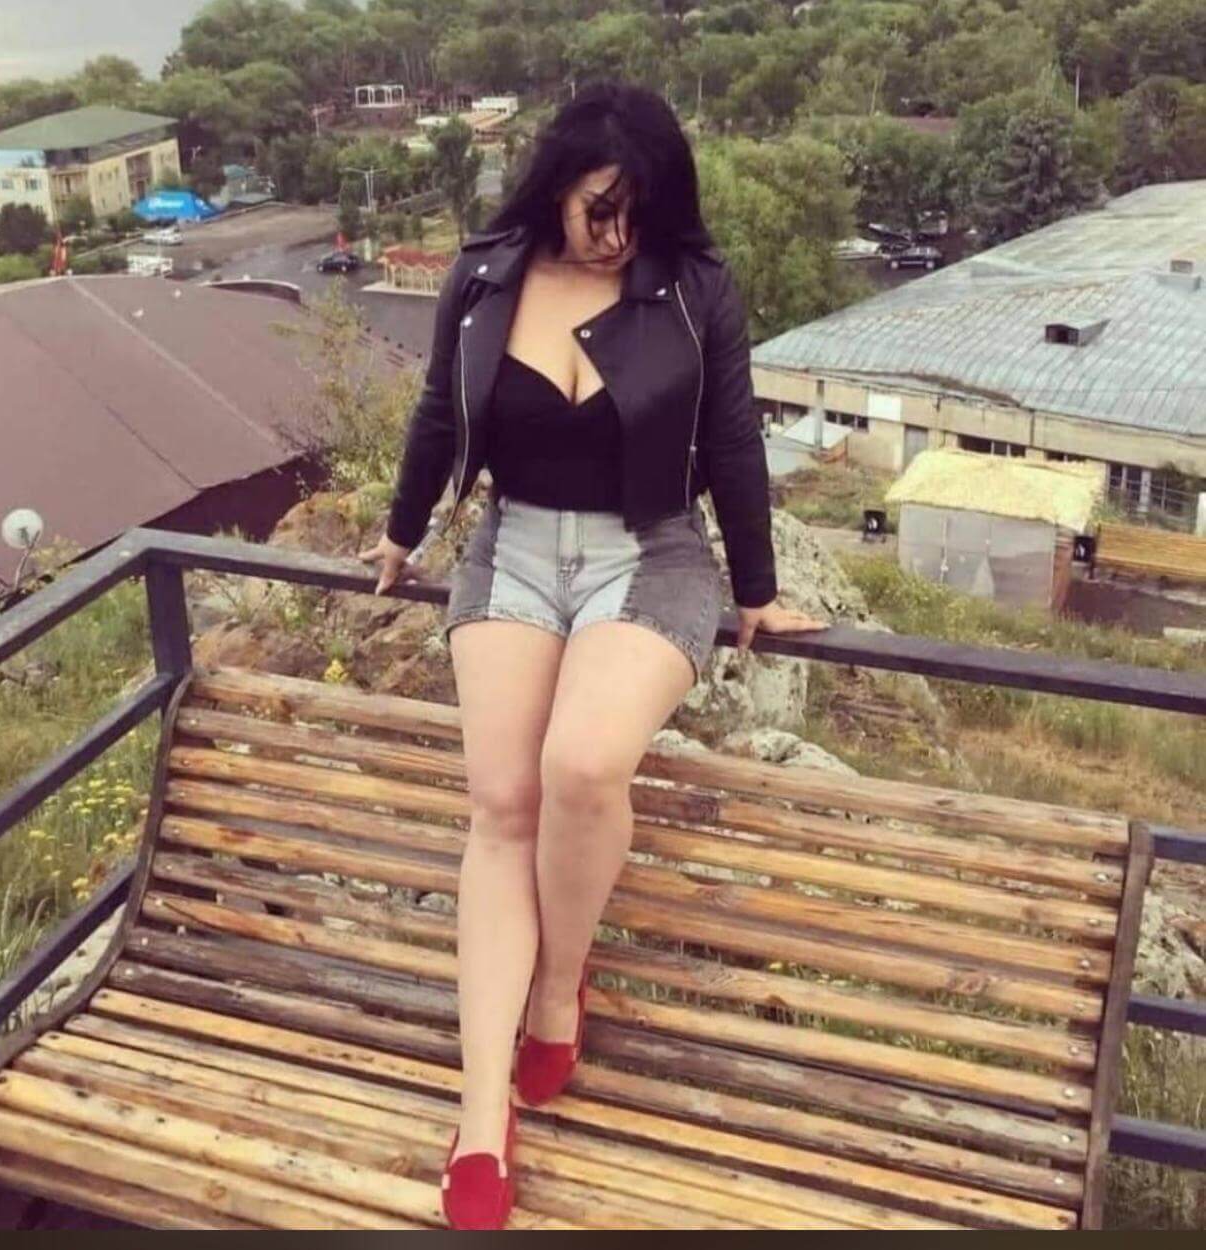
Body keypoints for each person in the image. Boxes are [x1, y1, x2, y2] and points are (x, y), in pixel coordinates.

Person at [358, 80, 828, 1230]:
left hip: (650, 551)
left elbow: (731, 438)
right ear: (556, 185)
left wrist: (758, 589)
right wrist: (401, 531)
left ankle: (560, 986)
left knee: (581, 764)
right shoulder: (486, 275)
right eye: (599, 208)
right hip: (513, 546)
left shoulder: (695, 288)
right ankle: (481, 1116)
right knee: (501, 803)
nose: (617, 234)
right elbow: (438, 412)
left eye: (638, 210)